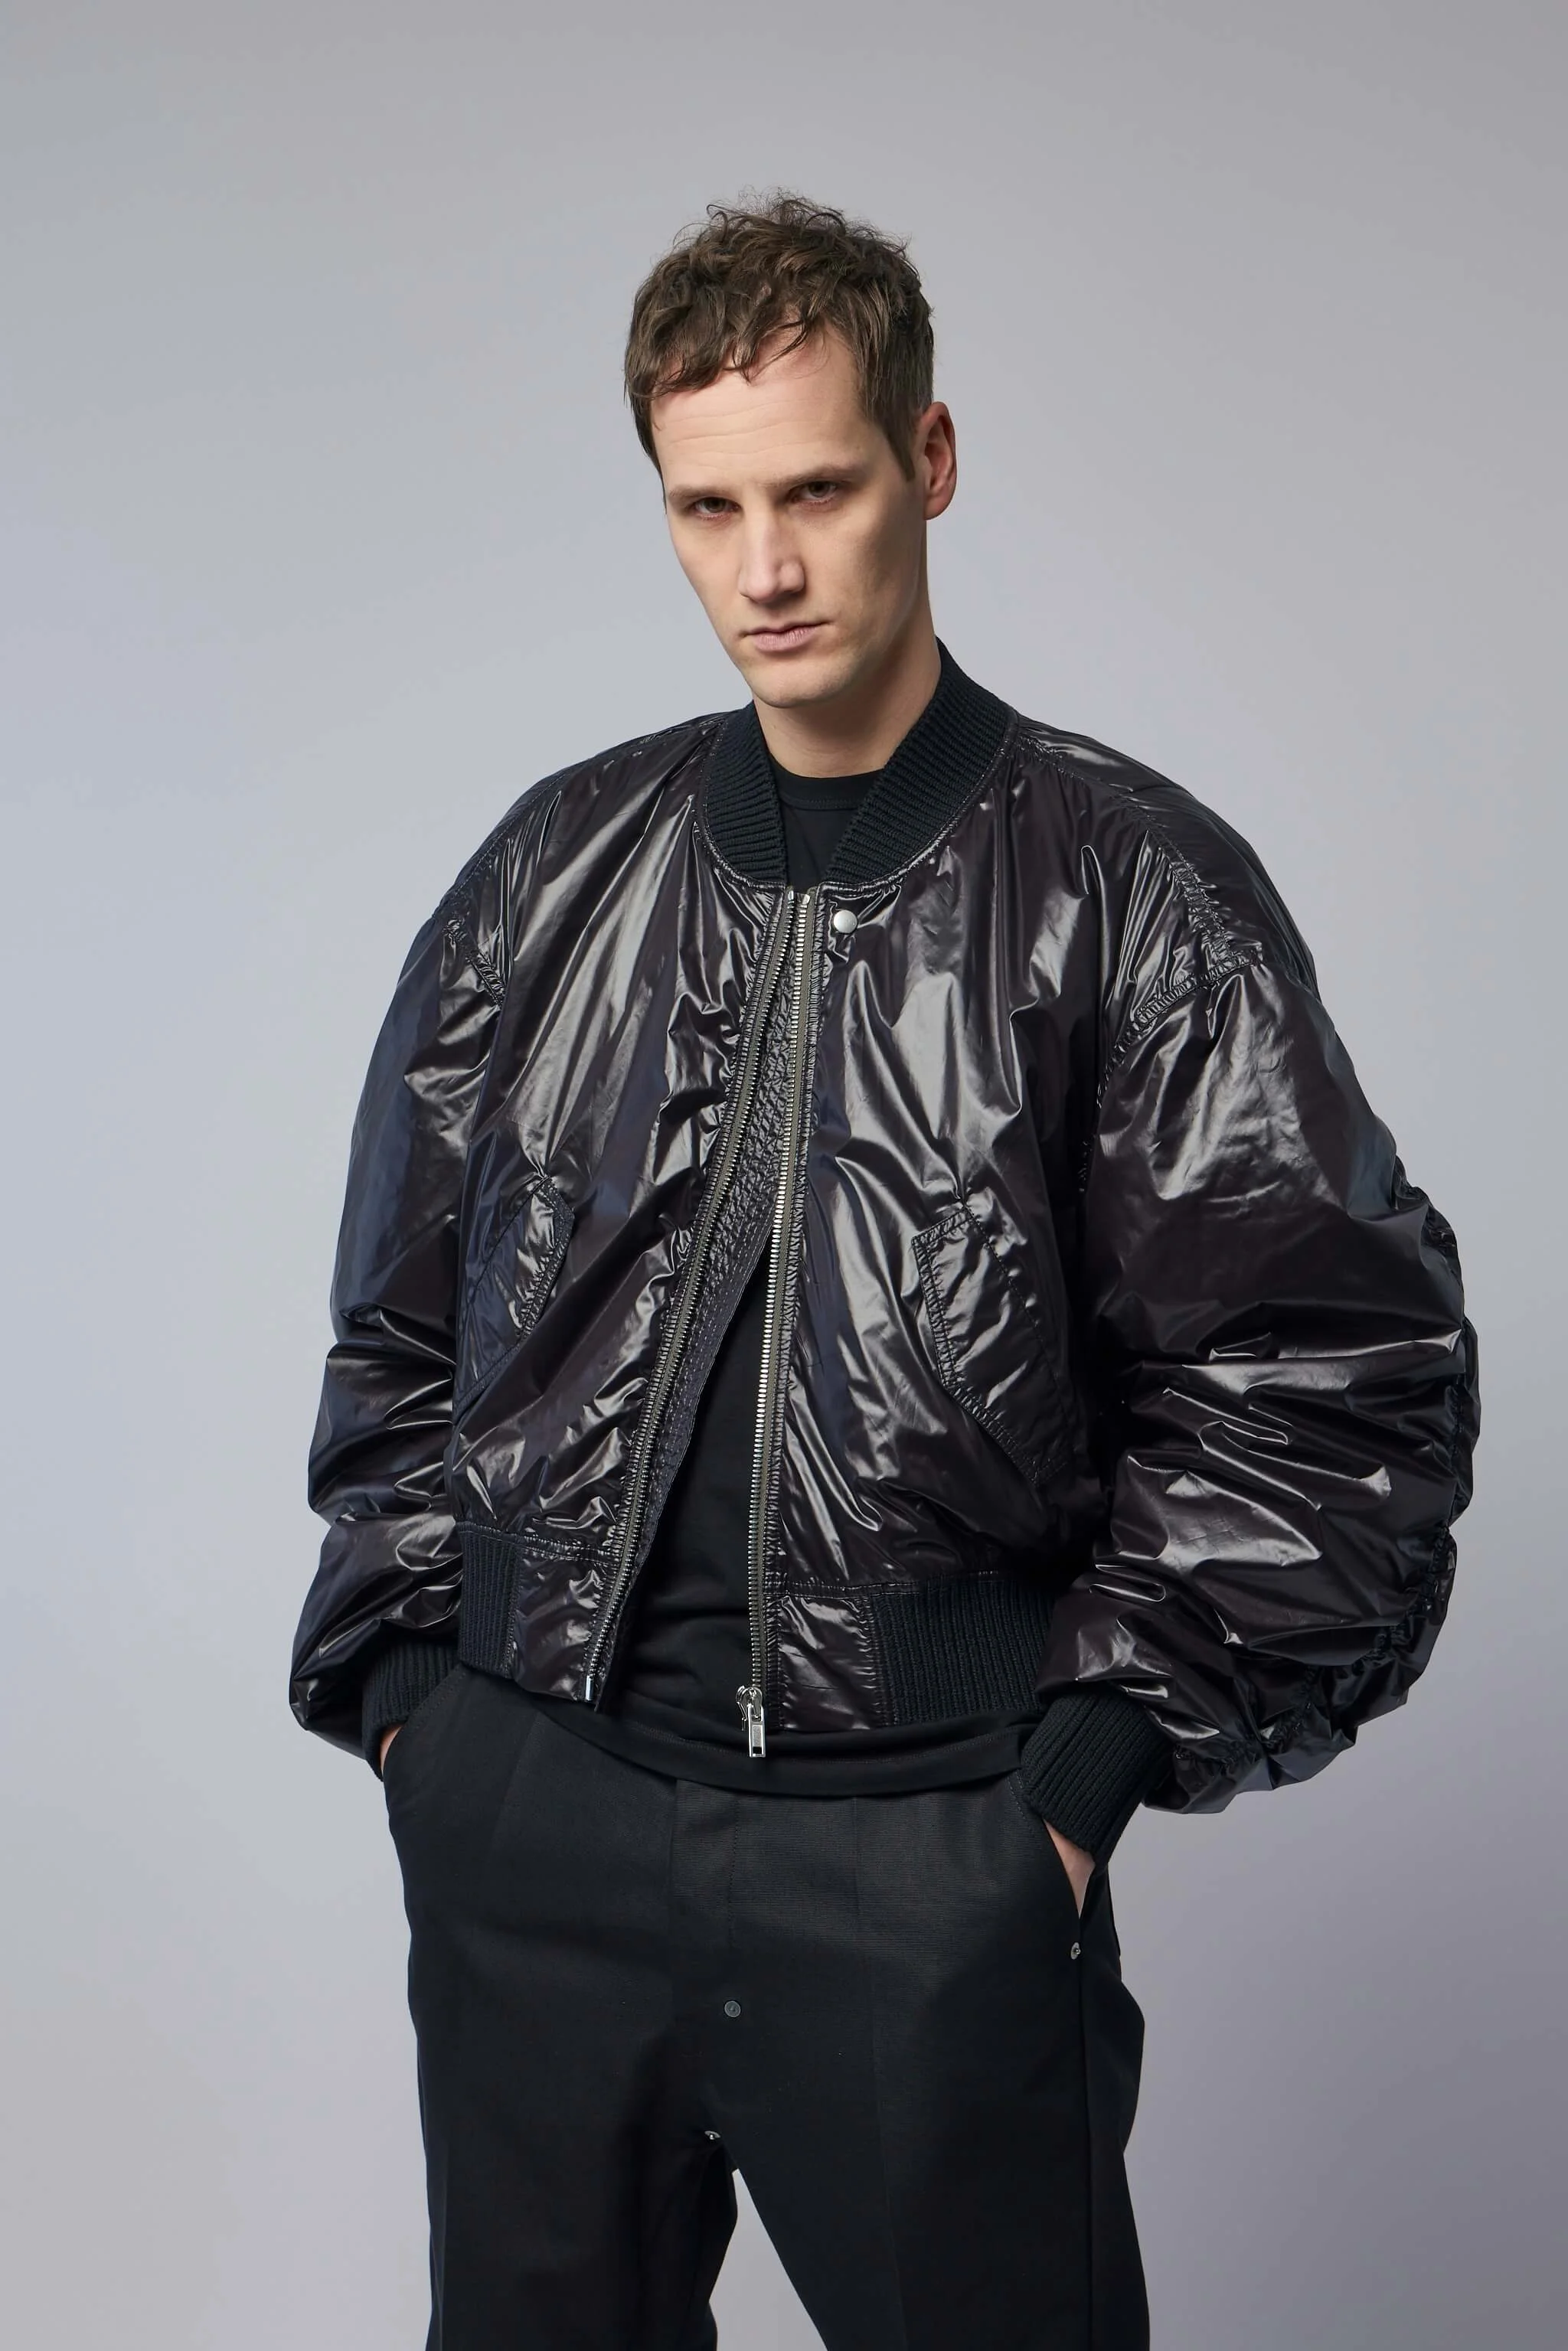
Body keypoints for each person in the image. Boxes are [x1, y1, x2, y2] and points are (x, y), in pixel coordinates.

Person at [290, 194, 1478, 2351]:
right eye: (708, 506)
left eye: (817, 491)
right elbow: (401, 1319)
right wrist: (415, 1720)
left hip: (925, 1861)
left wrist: (1075, 1787)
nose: (765, 567)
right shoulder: (555, 873)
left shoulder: (1132, 892)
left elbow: (1327, 1372)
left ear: (929, 461)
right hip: (536, 1833)